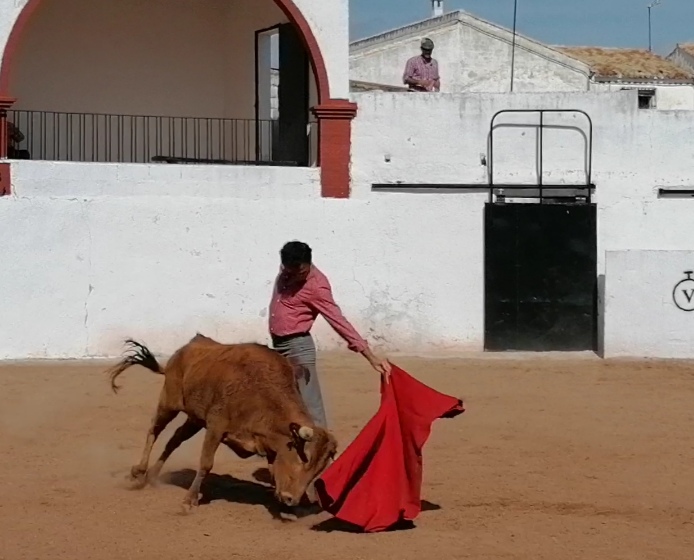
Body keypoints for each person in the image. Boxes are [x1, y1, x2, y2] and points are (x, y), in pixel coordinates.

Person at [268, 240, 391, 428]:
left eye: (300, 271)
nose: (295, 275)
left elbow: (338, 321)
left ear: (308, 263)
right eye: (289, 270)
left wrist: (370, 356)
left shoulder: (317, 285)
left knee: (310, 402)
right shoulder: (286, 270)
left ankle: (322, 443)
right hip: (277, 346)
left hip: (298, 348)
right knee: (283, 398)